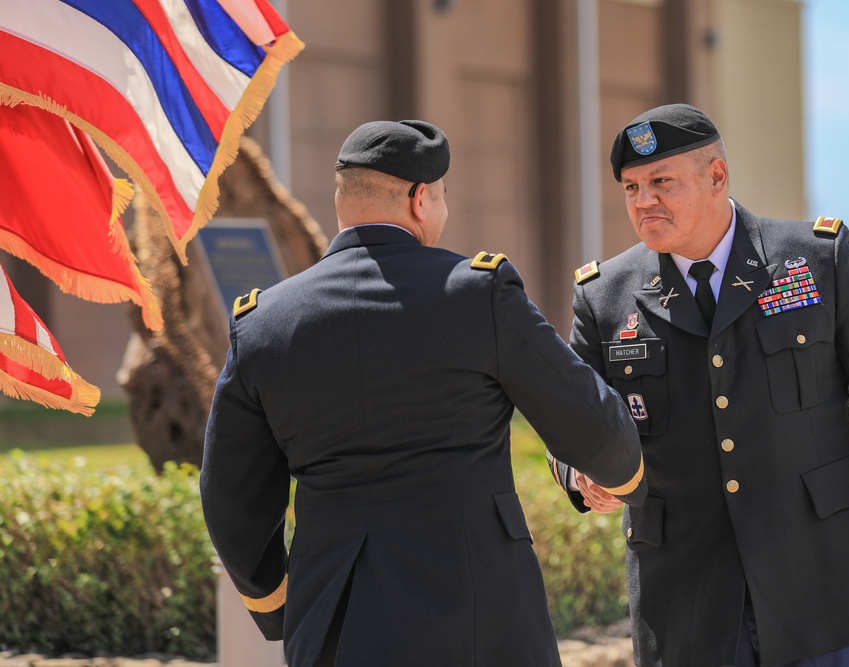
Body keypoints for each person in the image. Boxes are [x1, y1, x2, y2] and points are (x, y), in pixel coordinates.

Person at [548, 104, 849, 667]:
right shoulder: (604, 295)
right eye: (631, 187)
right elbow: (572, 417)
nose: (643, 200)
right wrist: (580, 475)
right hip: (687, 595)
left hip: (826, 577)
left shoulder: (816, 259)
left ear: (717, 177)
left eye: (661, 182)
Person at [200, 119, 647, 667]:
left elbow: (231, 497)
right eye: (441, 198)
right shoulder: (478, 293)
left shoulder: (263, 322)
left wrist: (277, 605)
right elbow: (594, 427)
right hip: (479, 613)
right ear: (419, 200)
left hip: (334, 618)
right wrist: (625, 476)